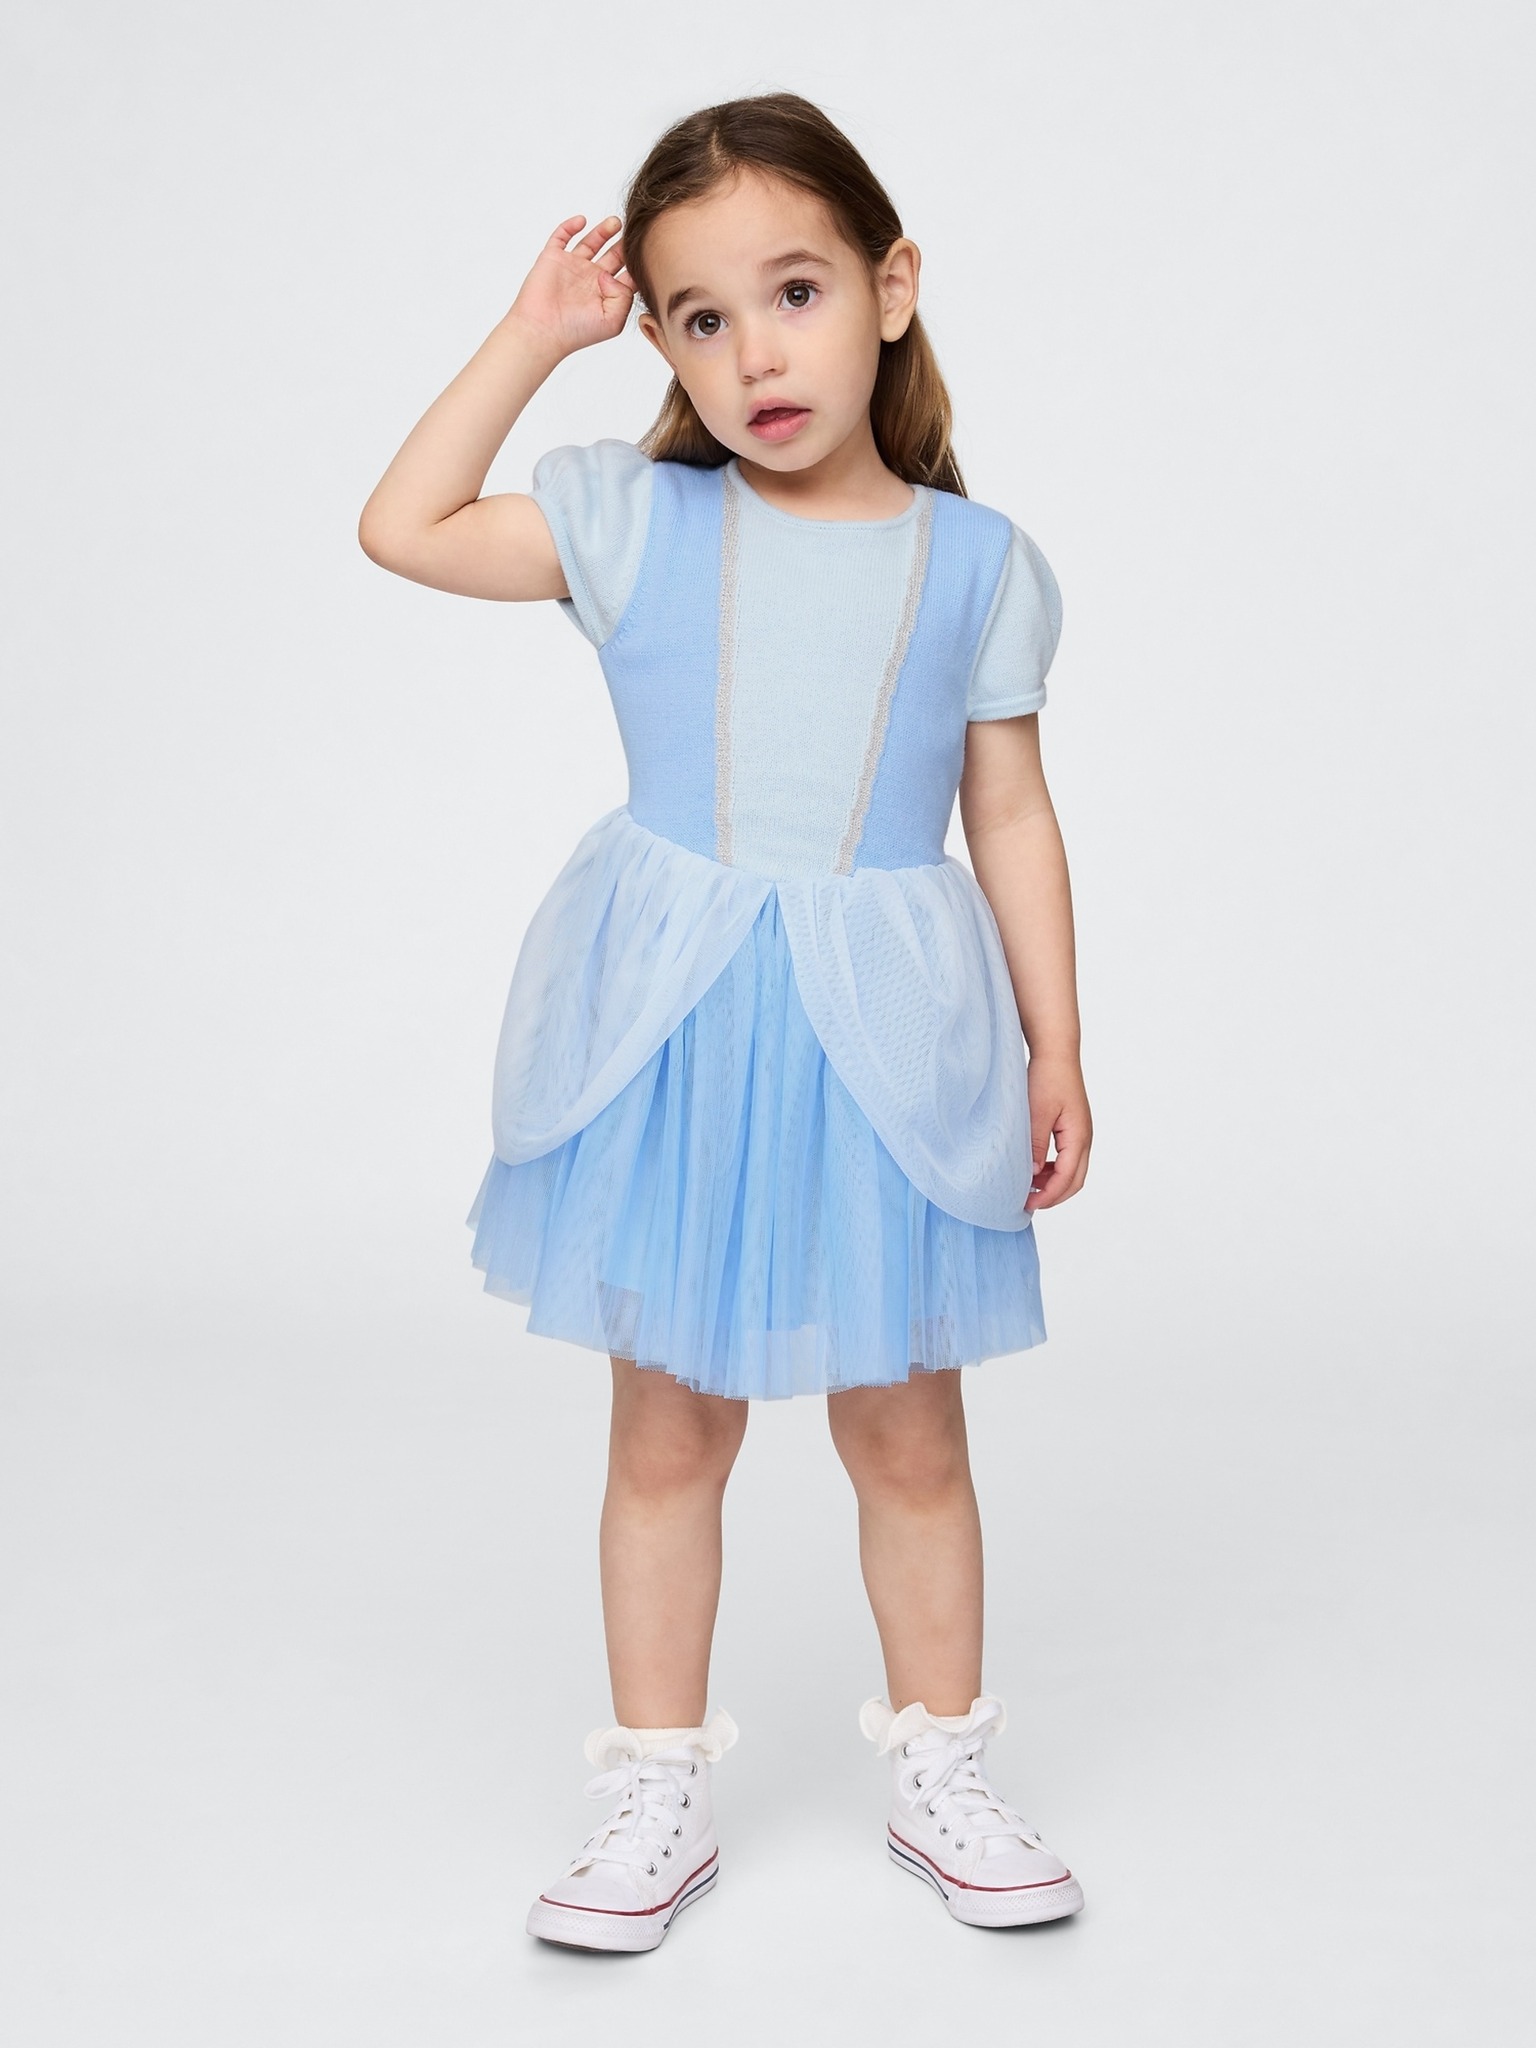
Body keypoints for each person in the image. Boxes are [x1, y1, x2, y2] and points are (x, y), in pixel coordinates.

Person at [359, 91, 1093, 1951]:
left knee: (909, 1437)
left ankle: (944, 1765)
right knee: (668, 1440)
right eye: (701, 315)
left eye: (795, 291)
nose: (755, 352)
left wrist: (1058, 1044)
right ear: (664, 346)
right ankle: (654, 1784)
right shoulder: (637, 521)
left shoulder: (977, 563)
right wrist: (535, 334)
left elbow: (1009, 811)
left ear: (891, 288)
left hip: (887, 1042)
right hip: (680, 1036)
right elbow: (402, 525)